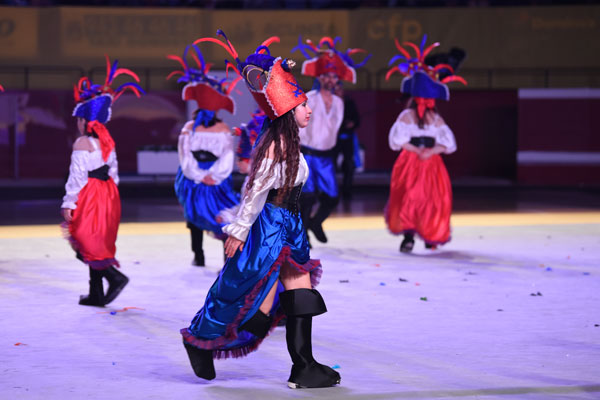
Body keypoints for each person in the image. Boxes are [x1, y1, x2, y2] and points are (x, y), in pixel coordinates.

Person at [180, 31, 341, 389]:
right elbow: (255, 192)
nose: (309, 109)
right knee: (240, 286)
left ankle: (304, 366)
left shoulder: (291, 141)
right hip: (270, 225)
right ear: (287, 111)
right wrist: (238, 232)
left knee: (300, 292)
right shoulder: (275, 147)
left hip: (291, 224)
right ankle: (198, 339)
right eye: (303, 106)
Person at [61, 57, 144, 306]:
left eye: (78, 119)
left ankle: (114, 277)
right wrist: (109, 192)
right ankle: (96, 293)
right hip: (107, 193)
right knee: (96, 242)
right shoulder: (106, 140)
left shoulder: (82, 143)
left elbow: (76, 177)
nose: (77, 124)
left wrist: (69, 202)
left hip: (90, 193)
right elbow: (114, 171)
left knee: (85, 241)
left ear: (85, 121)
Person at [385, 35, 467, 253]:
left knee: (433, 201)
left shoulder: (436, 119)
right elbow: (396, 140)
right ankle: (409, 236)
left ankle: (429, 234)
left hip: (430, 163)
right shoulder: (406, 116)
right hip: (411, 162)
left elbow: (449, 144)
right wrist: (417, 150)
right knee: (409, 199)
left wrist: (431, 151)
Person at [168, 44, 241, 267]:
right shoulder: (189, 128)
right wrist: (199, 176)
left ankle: (226, 257)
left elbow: (227, 157)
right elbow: (185, 155)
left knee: (221, 216)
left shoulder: (222, 130)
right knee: (194, 215)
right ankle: (197, 254)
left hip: (216, 176)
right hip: (193, 175)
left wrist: (214, 177)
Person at [292, 36, 370, 243]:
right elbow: (299, 124)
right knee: (307, 197)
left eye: (334, 77)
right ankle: (304, 235)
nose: (330, 80)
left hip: (327, 156)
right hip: (308, 153)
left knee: (332, 197)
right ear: (320, 77)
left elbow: (333, 128)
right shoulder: (309, 97)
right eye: (326, 75)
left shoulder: (338, 102)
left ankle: (315, 222)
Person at [333, 81, 361, 202]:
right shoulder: (330, 103)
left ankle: (347, 189)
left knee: (349, 164)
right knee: (331, 164)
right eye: (337, 89)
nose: (339, 91)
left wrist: (352, 123)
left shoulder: (349, 103)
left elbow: (357, 119)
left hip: (347, 138)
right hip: (333, 140)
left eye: (341, 89)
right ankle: (330, 189)